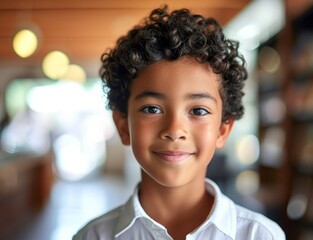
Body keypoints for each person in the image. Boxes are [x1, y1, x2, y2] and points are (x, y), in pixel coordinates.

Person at [73, 5, 286, 240]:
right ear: (124, 126)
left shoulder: (261, 235)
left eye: (198, 110)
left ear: (223, 130)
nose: (174, 130)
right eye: (152, 109)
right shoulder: (92, 236)